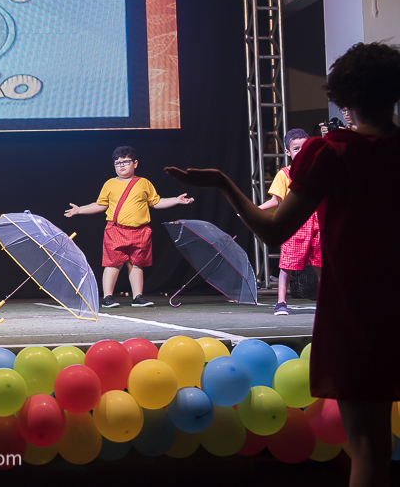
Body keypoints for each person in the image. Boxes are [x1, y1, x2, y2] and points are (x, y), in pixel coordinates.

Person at [166, 41, 400, 487]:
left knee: (367, 447)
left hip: (357, 311)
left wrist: (223, 184)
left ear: (345, 97)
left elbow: (274, 231)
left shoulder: (332, 152)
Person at [64, 146, 194, 308]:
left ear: (135, 163)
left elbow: (156, 202)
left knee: (137, 264)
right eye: (117, 163)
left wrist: (176, 200)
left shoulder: (144, 183)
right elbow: (100, 204)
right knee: (113, 264)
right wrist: (80, 210)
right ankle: (107, 297)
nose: (121, 166)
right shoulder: (110, 184)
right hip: (115, 230)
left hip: (140, 231)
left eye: (125, 162)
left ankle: (137, 297)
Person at [258, 128, 322, 316]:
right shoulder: (284, 174)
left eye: (305, 147)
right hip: (296, 225)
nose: (301, 152)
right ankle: (281, 302)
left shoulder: (318, 171)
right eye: (296, 149)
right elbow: (274, 201)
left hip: (317, 224)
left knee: (321, 265)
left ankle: (325, 301)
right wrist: (254, 209)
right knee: (287, 266)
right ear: (287, 151)